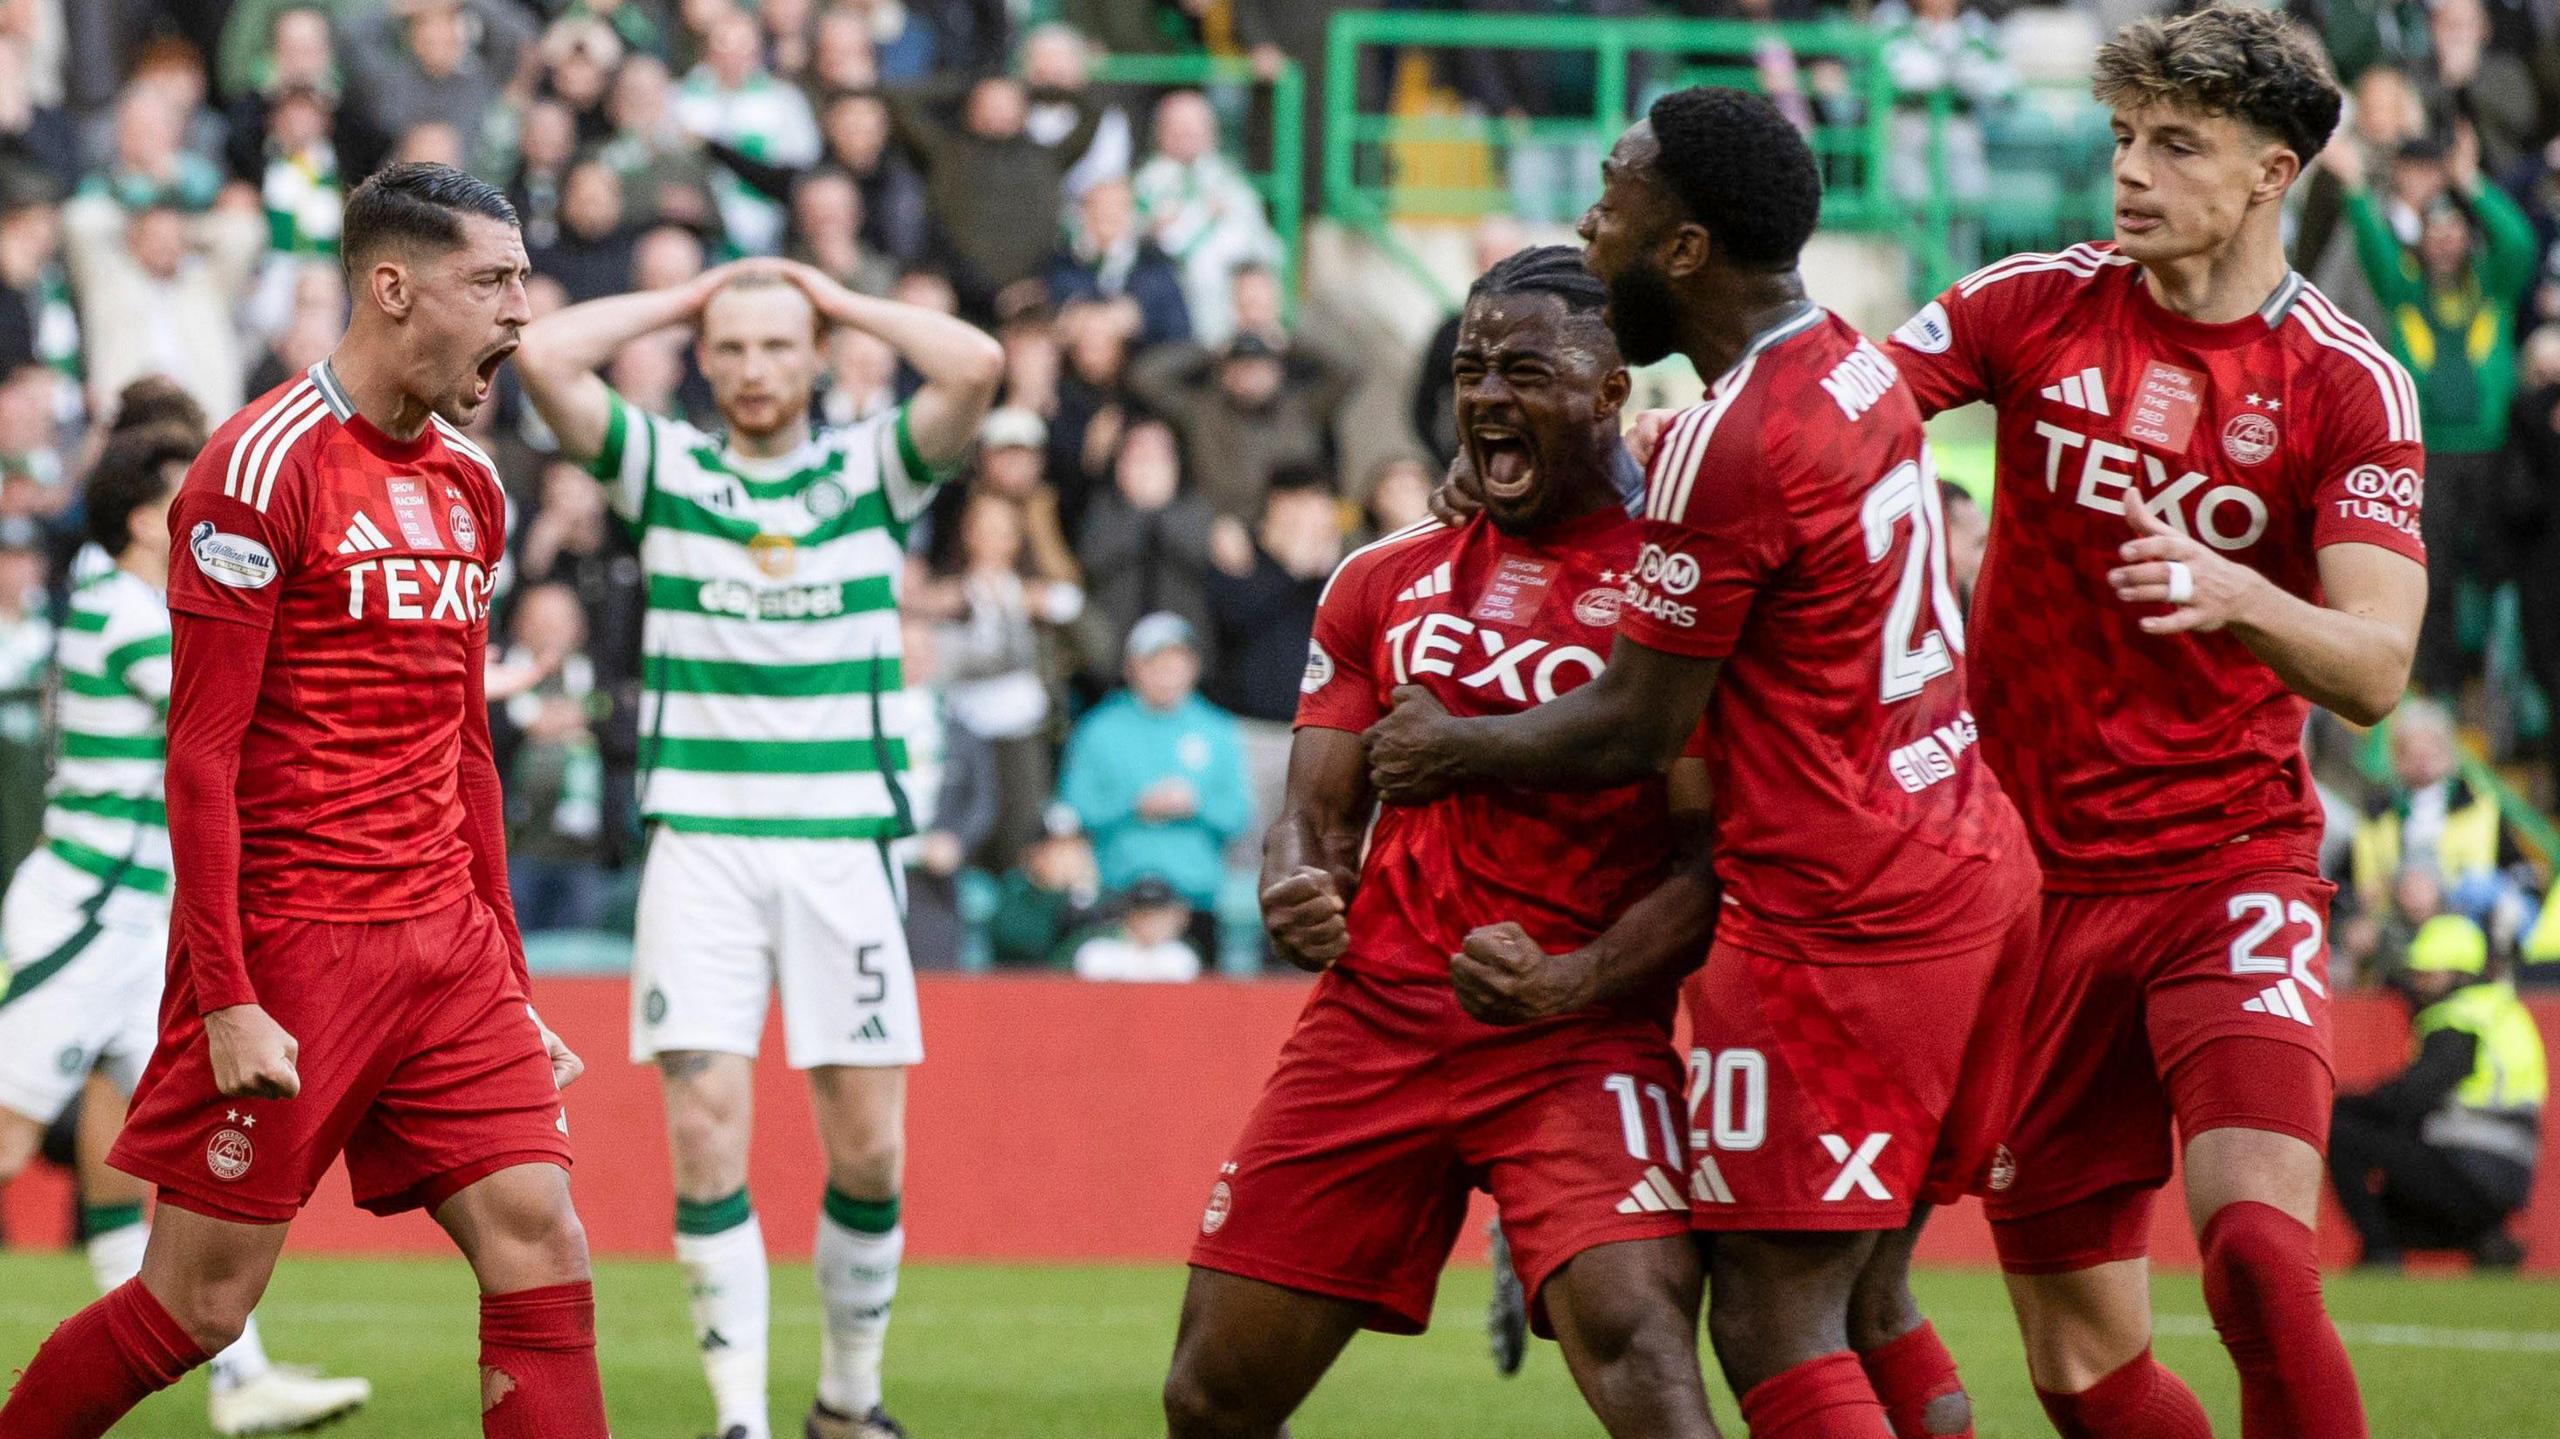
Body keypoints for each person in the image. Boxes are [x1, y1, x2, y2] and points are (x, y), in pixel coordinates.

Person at [1369, 93, 2035, 1439]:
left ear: (1679, 249)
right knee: (1873, 1298)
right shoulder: (1847, 365)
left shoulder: (1731, 444)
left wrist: (1447, 746)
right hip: (1967, 864)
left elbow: (1629, 725)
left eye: (1611, 198)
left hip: (1843, 919)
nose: (1585, 221)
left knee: (1770, 1314)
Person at [1877, 9, 2429, 1435]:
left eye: (2175, 144)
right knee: (2080, 1369)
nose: (2129, 171)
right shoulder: (2026, 305)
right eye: (2122, 136)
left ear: (2270, 173)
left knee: (2255, 1252)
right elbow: (1833, 417)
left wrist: (2240, 589)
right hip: (2024, 888)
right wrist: (1668, 434)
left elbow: (2375, 667)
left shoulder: (2344, 382)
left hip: (2224, 865)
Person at [0, 162, 605, 1439]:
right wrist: (227, 996)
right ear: (392, 287)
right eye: (491, 282)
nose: (519, 314)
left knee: (542, 1240)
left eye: (522, 281)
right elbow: (201, 753)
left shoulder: (472, 484)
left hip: (448, 946)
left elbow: (467, 745)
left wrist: (507, 962)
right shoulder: (255, 467)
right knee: (196, 1308)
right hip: (295, 943)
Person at [1163, 245, 1724, 1439]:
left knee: (1644, 1358)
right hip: (1378, 1018)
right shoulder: (1382, 576)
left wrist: (1576, 979)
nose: (1484, 397)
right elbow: (1313, 818)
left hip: (1575, 1029)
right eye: (1471, 368)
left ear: (1613, 388)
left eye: (1525, 368)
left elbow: (1705, 865)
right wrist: (1299, 883)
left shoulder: (1678, 586)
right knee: (1210, 1394)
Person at [512, 254, 1003, 1439]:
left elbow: (975, 362)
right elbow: (542, 353)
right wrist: (692, 294)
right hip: (706, 843)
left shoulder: (869, 467)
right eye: (729, 348)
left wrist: (824, 295)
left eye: (777, 346)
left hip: (846, 845)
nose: (752, 368)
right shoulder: (670, 470)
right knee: (701, 1121)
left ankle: (845, 1398)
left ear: (818, 357)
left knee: (871, 1148)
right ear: (701, 359)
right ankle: (737, 1415)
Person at [0, 424, 372, 1437]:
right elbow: (221, 710)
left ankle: (241, 1380)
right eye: (184, 498)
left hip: (140, 920)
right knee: (7, 1138)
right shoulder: (116, 610)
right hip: (82, 912)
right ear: (139, 517)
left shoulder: (141, 601)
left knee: (125, 1150)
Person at [2329, 913, 2544, 1269]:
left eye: (2427, 974)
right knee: (2387, 1206)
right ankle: (2486, 1241)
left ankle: (2383, 1256)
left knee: (2341, 1133)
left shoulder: (2458, 1020)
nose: (2418, 984)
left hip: (2469, 1167)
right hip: (2505, 1174)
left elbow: (2411, 1098)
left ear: (2459, 974)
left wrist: (2347, 1104)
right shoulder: (2498, 1010)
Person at [1056, 611, 1248, 959]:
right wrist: (1134, 805)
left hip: (1194, 897)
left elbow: (1237, 814)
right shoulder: (1099, 729)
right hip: (1118, 895)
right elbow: (1073, 808)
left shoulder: (1216, 729)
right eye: (1156, 662)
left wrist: (1196, 804)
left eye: (1179, 661)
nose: (1169, 672)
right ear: (1132, 668)